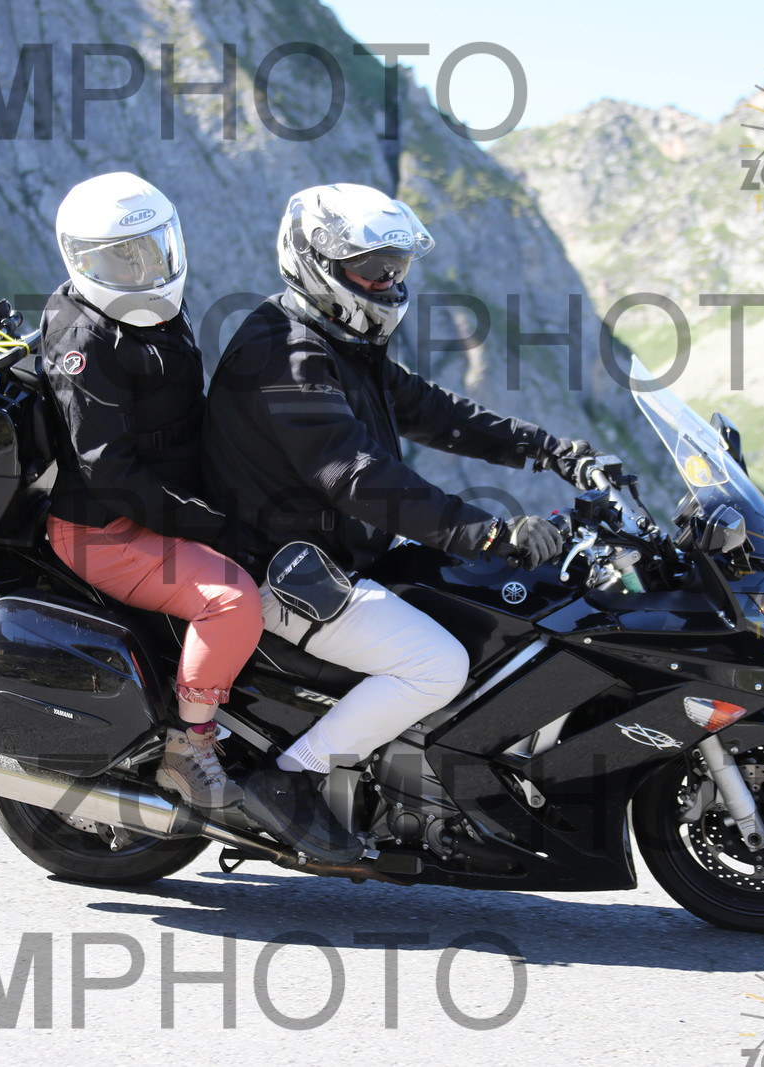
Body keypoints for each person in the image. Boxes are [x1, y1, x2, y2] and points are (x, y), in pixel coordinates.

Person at [203, 182, 600, 862]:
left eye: (396, 266)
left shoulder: (337, 337)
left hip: (333, 554)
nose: (388, 282)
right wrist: (490, 533)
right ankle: (291, 780)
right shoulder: (287, 354)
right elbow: (358, 477)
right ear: (316, 263)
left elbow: (433, 409)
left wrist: (547, 450)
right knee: (436, 665)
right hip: (279, 570)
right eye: (371, 268)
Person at [39, 172, 261, 810]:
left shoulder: (149, 313)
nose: (142, 270)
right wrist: (212, 524)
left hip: (157, 507)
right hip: (104, 530)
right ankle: (188, 750)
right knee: (231, 600)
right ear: (83, 261)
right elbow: (109, 471)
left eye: (151, 250)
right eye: (121, 258)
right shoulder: (88, 340)